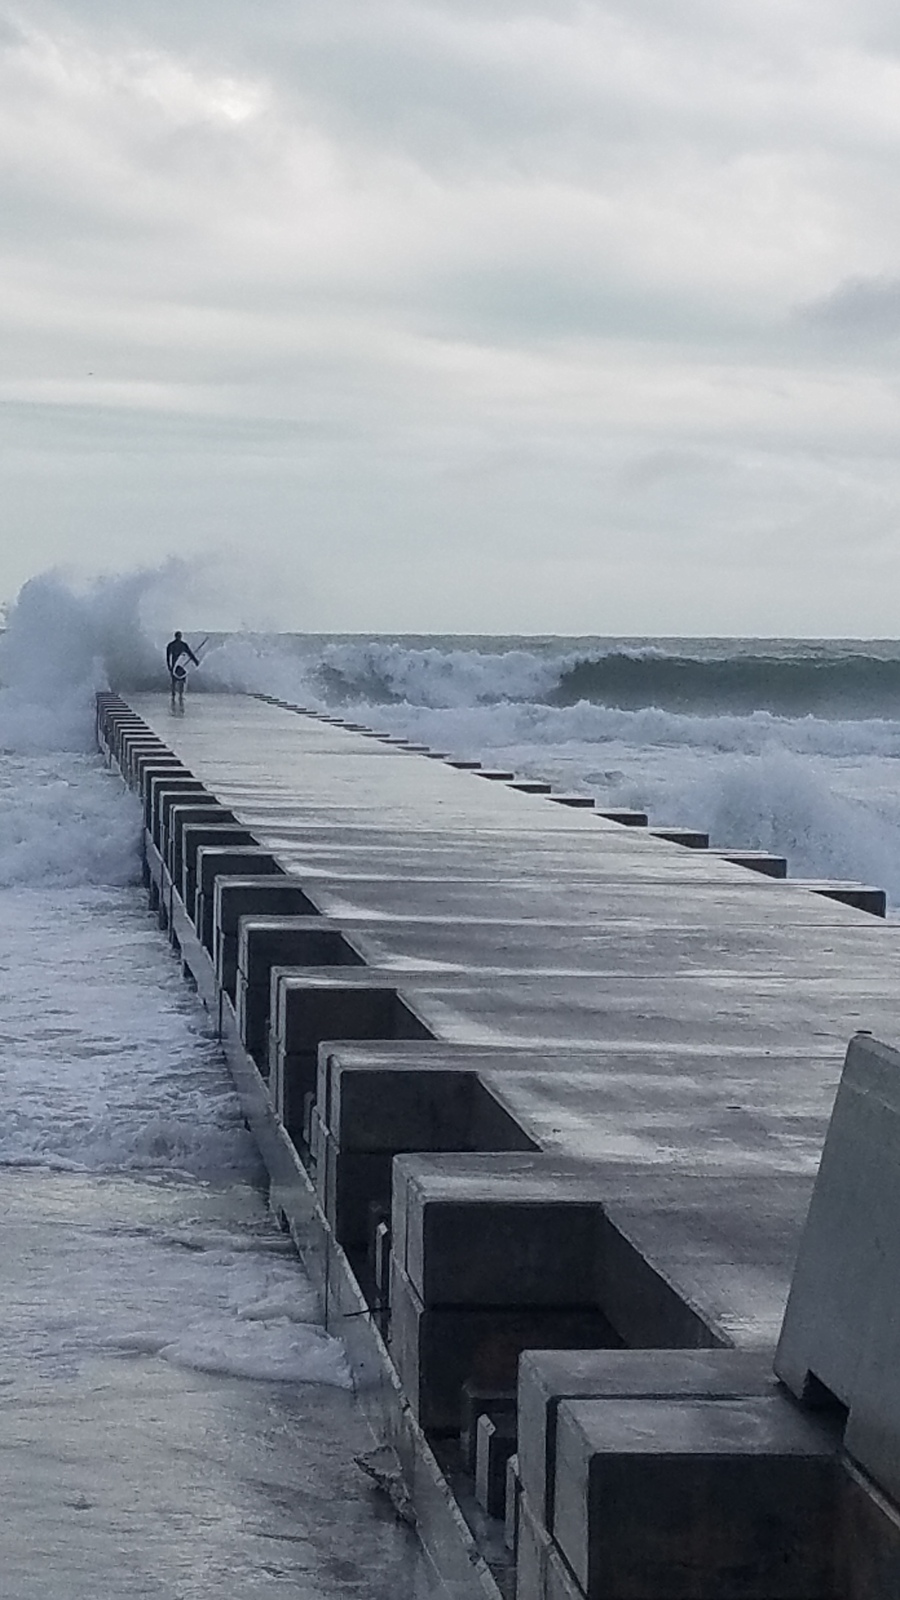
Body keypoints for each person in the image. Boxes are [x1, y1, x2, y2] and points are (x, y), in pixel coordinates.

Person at [166, 631, 200, 710]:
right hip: (175, 665)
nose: (179, 638)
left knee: (182, 680)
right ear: (176, 636)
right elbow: (168, 656)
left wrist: (195, 661)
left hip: (182, 665)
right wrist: (169, 666)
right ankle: (173, 695)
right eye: (178, 636)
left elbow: (190, 654)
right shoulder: (171, 645)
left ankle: (181, 695)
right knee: (174, 681)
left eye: (180, 636)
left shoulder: (184, 645)